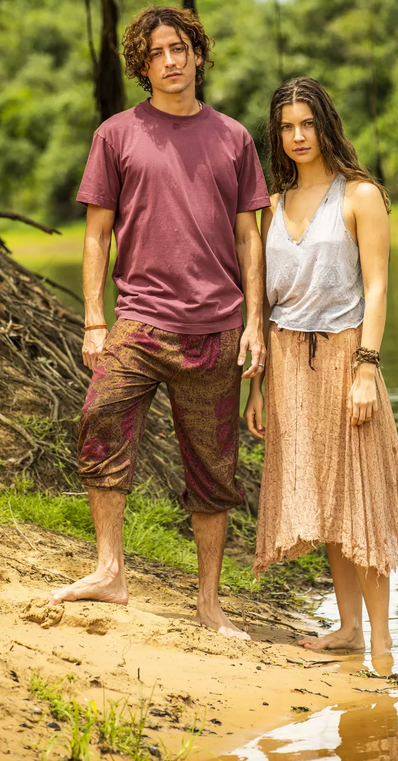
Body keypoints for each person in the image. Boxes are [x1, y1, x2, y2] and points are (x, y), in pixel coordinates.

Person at [48, 6, 270, 641]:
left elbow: (249, 237)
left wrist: (255, 321)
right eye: (155, 53)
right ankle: (110, 569)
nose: (170, 61)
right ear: (141, 67)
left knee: (214, 467)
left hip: (218, 326)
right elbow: (96, 236)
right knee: (99, 419)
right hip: (138, 321)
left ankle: (208, 605)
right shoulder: (116, 134)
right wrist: (94, 320)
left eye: (179, 48)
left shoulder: (233, 137)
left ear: (198, 54)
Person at [244, 77, 398, 656]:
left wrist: (368, 367)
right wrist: (258, 391)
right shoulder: (270, 205)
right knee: (323, 502)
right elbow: (267, 303)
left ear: (326, 125)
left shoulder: (360, 195)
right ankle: (348, 630)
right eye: (287, 126)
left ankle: (382, 641)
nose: (298, 136)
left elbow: (376, 289)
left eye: (307, 124)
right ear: (277, 133)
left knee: (359, 501)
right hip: (289, 366)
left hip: (348, 356)